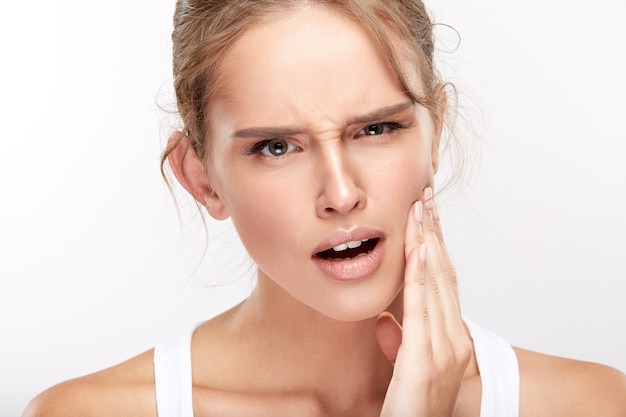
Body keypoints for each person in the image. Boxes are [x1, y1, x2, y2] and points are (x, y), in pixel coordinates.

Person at [22, 0, 626, 416]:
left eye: (377, 130)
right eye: (276, 146)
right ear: (201, 179)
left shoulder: (592, 406)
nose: (340, 194)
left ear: (434, 132)